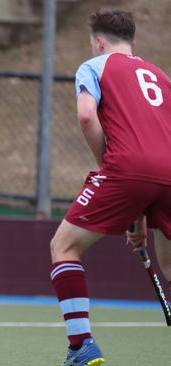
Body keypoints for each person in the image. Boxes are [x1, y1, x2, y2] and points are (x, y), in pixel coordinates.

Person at [49, 9, 171, 366]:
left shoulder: (95, 65)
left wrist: (109, 164)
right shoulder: (161, 77)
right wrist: (139, 215)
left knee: (64, 247)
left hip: (128, 168)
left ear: (99, 42)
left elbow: (87, 115)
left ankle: (81, 346)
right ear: (132, 41)